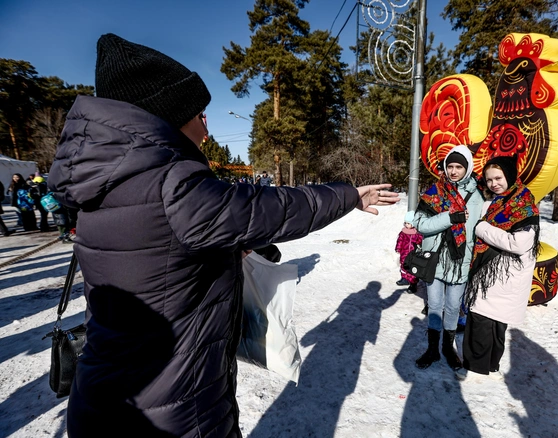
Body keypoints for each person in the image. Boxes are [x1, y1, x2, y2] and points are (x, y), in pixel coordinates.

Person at [47, 33, 399, 438]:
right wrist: (349, 194)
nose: (206, 123)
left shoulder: (103, 180)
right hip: (173, 411)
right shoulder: (173, 183)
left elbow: (159, 258)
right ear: (169, 115)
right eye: (199, 113)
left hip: (103, 400)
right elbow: (274, 208)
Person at [458, 155, 540, 380]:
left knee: (487, 321)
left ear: (509, 176)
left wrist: (482, 229)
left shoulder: (522, 203)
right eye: (489, 179)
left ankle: (478, 367)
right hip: (493, 273)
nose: (494, 183)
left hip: (503, 274)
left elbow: (519, 243)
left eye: (498, 178)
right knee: (487, 320)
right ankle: (486, 364)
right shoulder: (497, 201)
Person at [406, 145, 484, 370]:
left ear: (467, 168)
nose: (453, 171)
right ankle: (432, 349)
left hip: (460, 261)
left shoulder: (475, 195)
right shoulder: (434, 192)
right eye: (450, 166)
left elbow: (469, 231)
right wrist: (450, 218)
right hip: (435, 259)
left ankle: (448, 348)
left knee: (452, 307)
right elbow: (421, 225)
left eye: (459, 166)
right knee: (434, 305)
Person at [394, 216, 423, 293]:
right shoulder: (403, 232)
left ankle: (413, 284)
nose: (407, 225)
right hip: (404, 252)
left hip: (413, 254)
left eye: (409, 223)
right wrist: (398, 248)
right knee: (403, 265)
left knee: (413, 268)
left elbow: (420, 240)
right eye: (406, 223)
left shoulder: (416, 233)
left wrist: (420, 243)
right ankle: (404, 278)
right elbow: (400, 240)